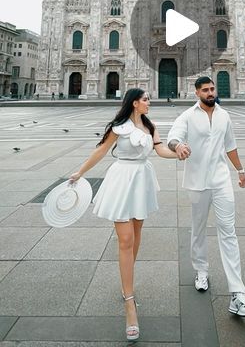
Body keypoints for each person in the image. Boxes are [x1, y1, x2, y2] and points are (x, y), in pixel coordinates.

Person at [69, 88, 188, 341]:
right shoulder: (118, 126)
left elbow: (160, 150)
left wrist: (178, 153)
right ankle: (129, 304)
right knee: (125, 241)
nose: (149, 103)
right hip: (121, 180)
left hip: (141, 181)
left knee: (136, 235)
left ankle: (127, 281)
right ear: (134, 103)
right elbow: (100, 150)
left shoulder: (150, 125)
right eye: (146, 100)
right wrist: (80, 172)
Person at [167, 76, 245, 318]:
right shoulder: (187, 116)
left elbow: (230, 146)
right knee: (198, 229)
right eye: (205, 90)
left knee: (228, 231)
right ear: (197, 93)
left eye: (212, 88)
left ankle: (238, 294)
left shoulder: (224, 115)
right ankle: (201, 270)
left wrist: (240, 170)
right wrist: (178, 147)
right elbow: (173, 136)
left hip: (220, 180)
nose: (210, 92)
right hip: (196, 181)